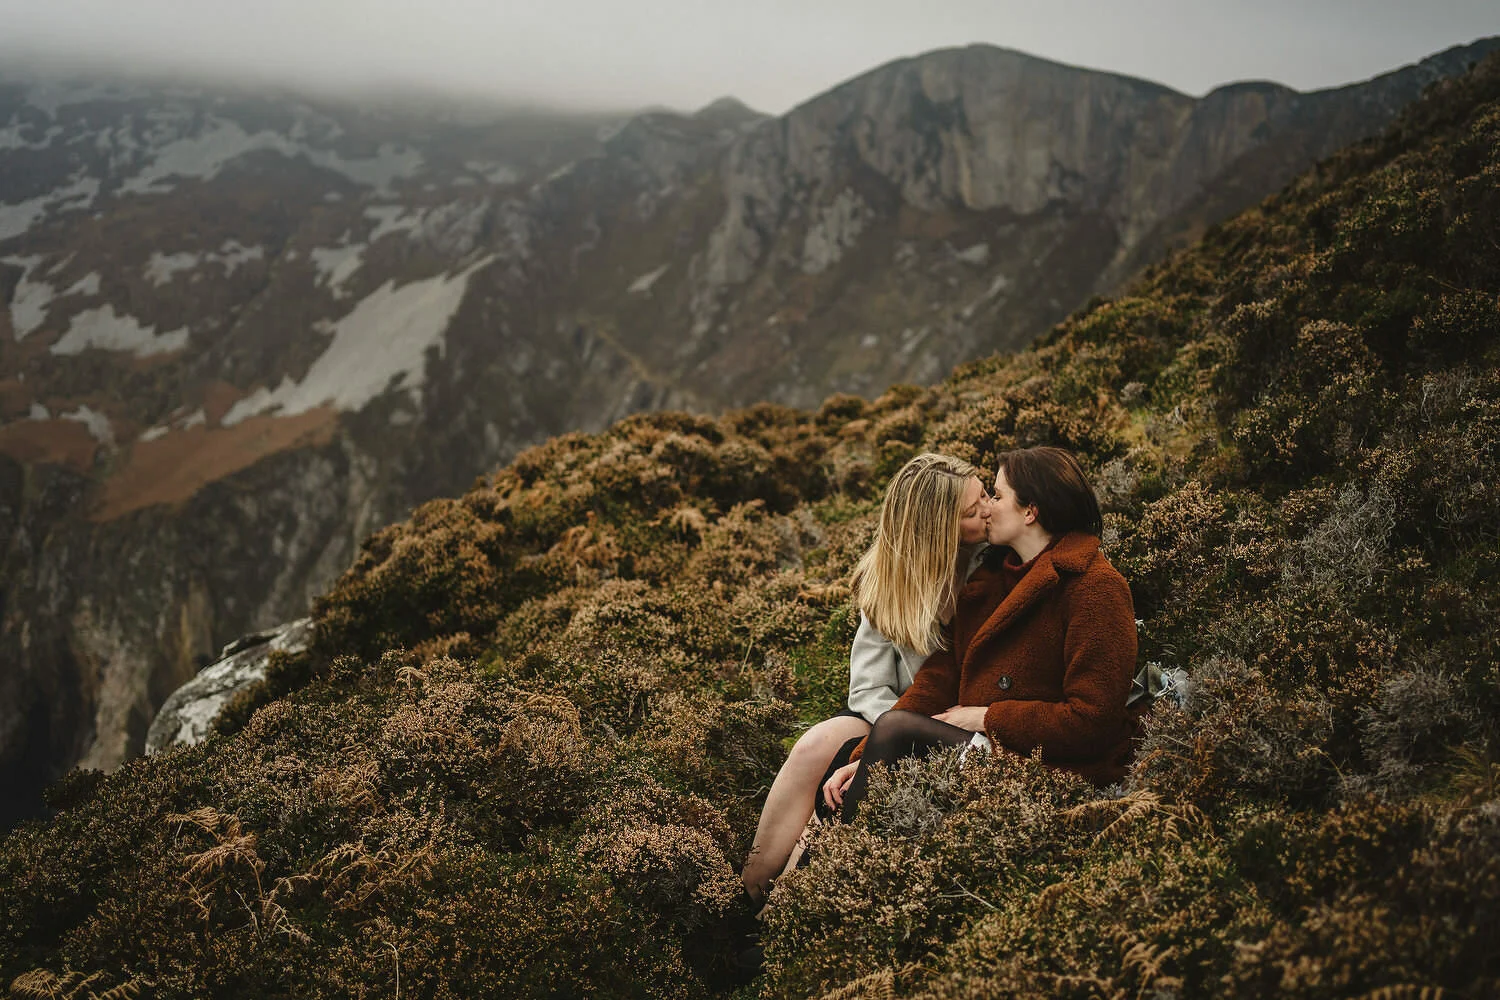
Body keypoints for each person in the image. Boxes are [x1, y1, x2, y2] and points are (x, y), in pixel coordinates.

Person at [822, 446, 1139, 823]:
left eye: (997, 495)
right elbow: (938, 678)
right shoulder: (991, 579)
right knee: (852, 768)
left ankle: (839, 862)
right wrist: (865, 756)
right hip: (988, 748)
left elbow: (1092, 721)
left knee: (893, 735)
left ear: (1030, 511)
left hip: (1053, 765)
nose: (987, 508)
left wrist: (985, 717)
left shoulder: (1095, 587)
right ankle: (822, 869)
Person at [740, 452, 989, 904]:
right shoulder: (892, 579)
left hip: (954, 721)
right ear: (938, 530)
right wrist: (897, 724)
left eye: (985, 495)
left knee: (844, 769)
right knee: (817, 742)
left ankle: (788, 897)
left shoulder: (989, 564)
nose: (987, 509)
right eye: (972, 510)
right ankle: (752, 884)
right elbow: (867, 688)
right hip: (895, 711)